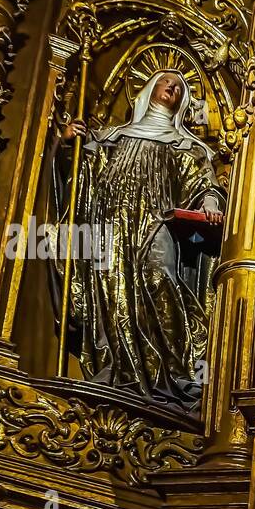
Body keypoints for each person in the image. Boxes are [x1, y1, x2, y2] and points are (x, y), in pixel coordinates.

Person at [59, 69, 223, 408]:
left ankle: (171, 372)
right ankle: (116, 370)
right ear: (149, 88)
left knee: (158, 277)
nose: (172, 89)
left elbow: (203, 183)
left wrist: (210, 200)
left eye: (179, 88)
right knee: (108, 289)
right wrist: (69, 142)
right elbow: (78, 173)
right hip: (108, 223)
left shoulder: (185, 146)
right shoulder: (111, 138)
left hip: (154, 221)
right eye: (166, 82)